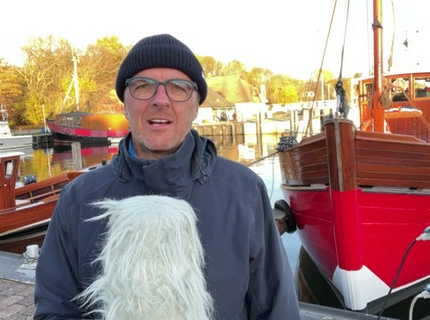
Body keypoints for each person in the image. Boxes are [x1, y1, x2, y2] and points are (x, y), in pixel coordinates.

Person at [34, 33, 300, 320]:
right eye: (143, 86)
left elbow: (276, 308)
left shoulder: (244, 191)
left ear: (196, 106)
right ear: (125, 102)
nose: (161, 100)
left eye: (178, 87)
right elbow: (55, 309)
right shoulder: (79, 199)